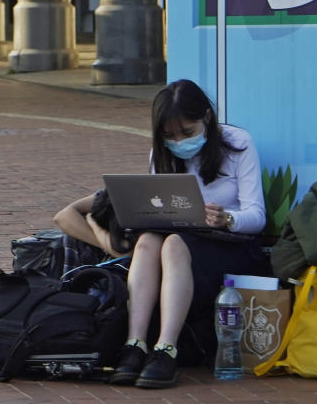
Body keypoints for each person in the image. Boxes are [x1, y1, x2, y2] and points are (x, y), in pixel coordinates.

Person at [53, 79, 267, 389]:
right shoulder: (162, 155)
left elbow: (257, 217)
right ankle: (135, 344)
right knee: (149, 241)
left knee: (174, 245)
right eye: (169, 136)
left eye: (187, 132)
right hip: (178, 238)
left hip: (230, 245)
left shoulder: (238, 144)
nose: (179, 142)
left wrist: (227, 218)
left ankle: (166, 348)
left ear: (206, 118)